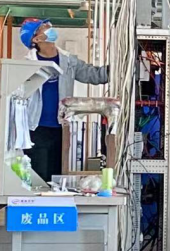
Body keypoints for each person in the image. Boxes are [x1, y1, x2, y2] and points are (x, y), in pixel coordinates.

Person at [20, 18, 110, 182]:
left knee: (57, 175)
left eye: (49, 25)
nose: (49, 28)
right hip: (35, 129)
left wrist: (117, 68)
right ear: (36, 39)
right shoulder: (26, 65)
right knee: (37, 177)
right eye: (43, 27)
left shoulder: (69, 61)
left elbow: (94, 75)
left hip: (61, 128)